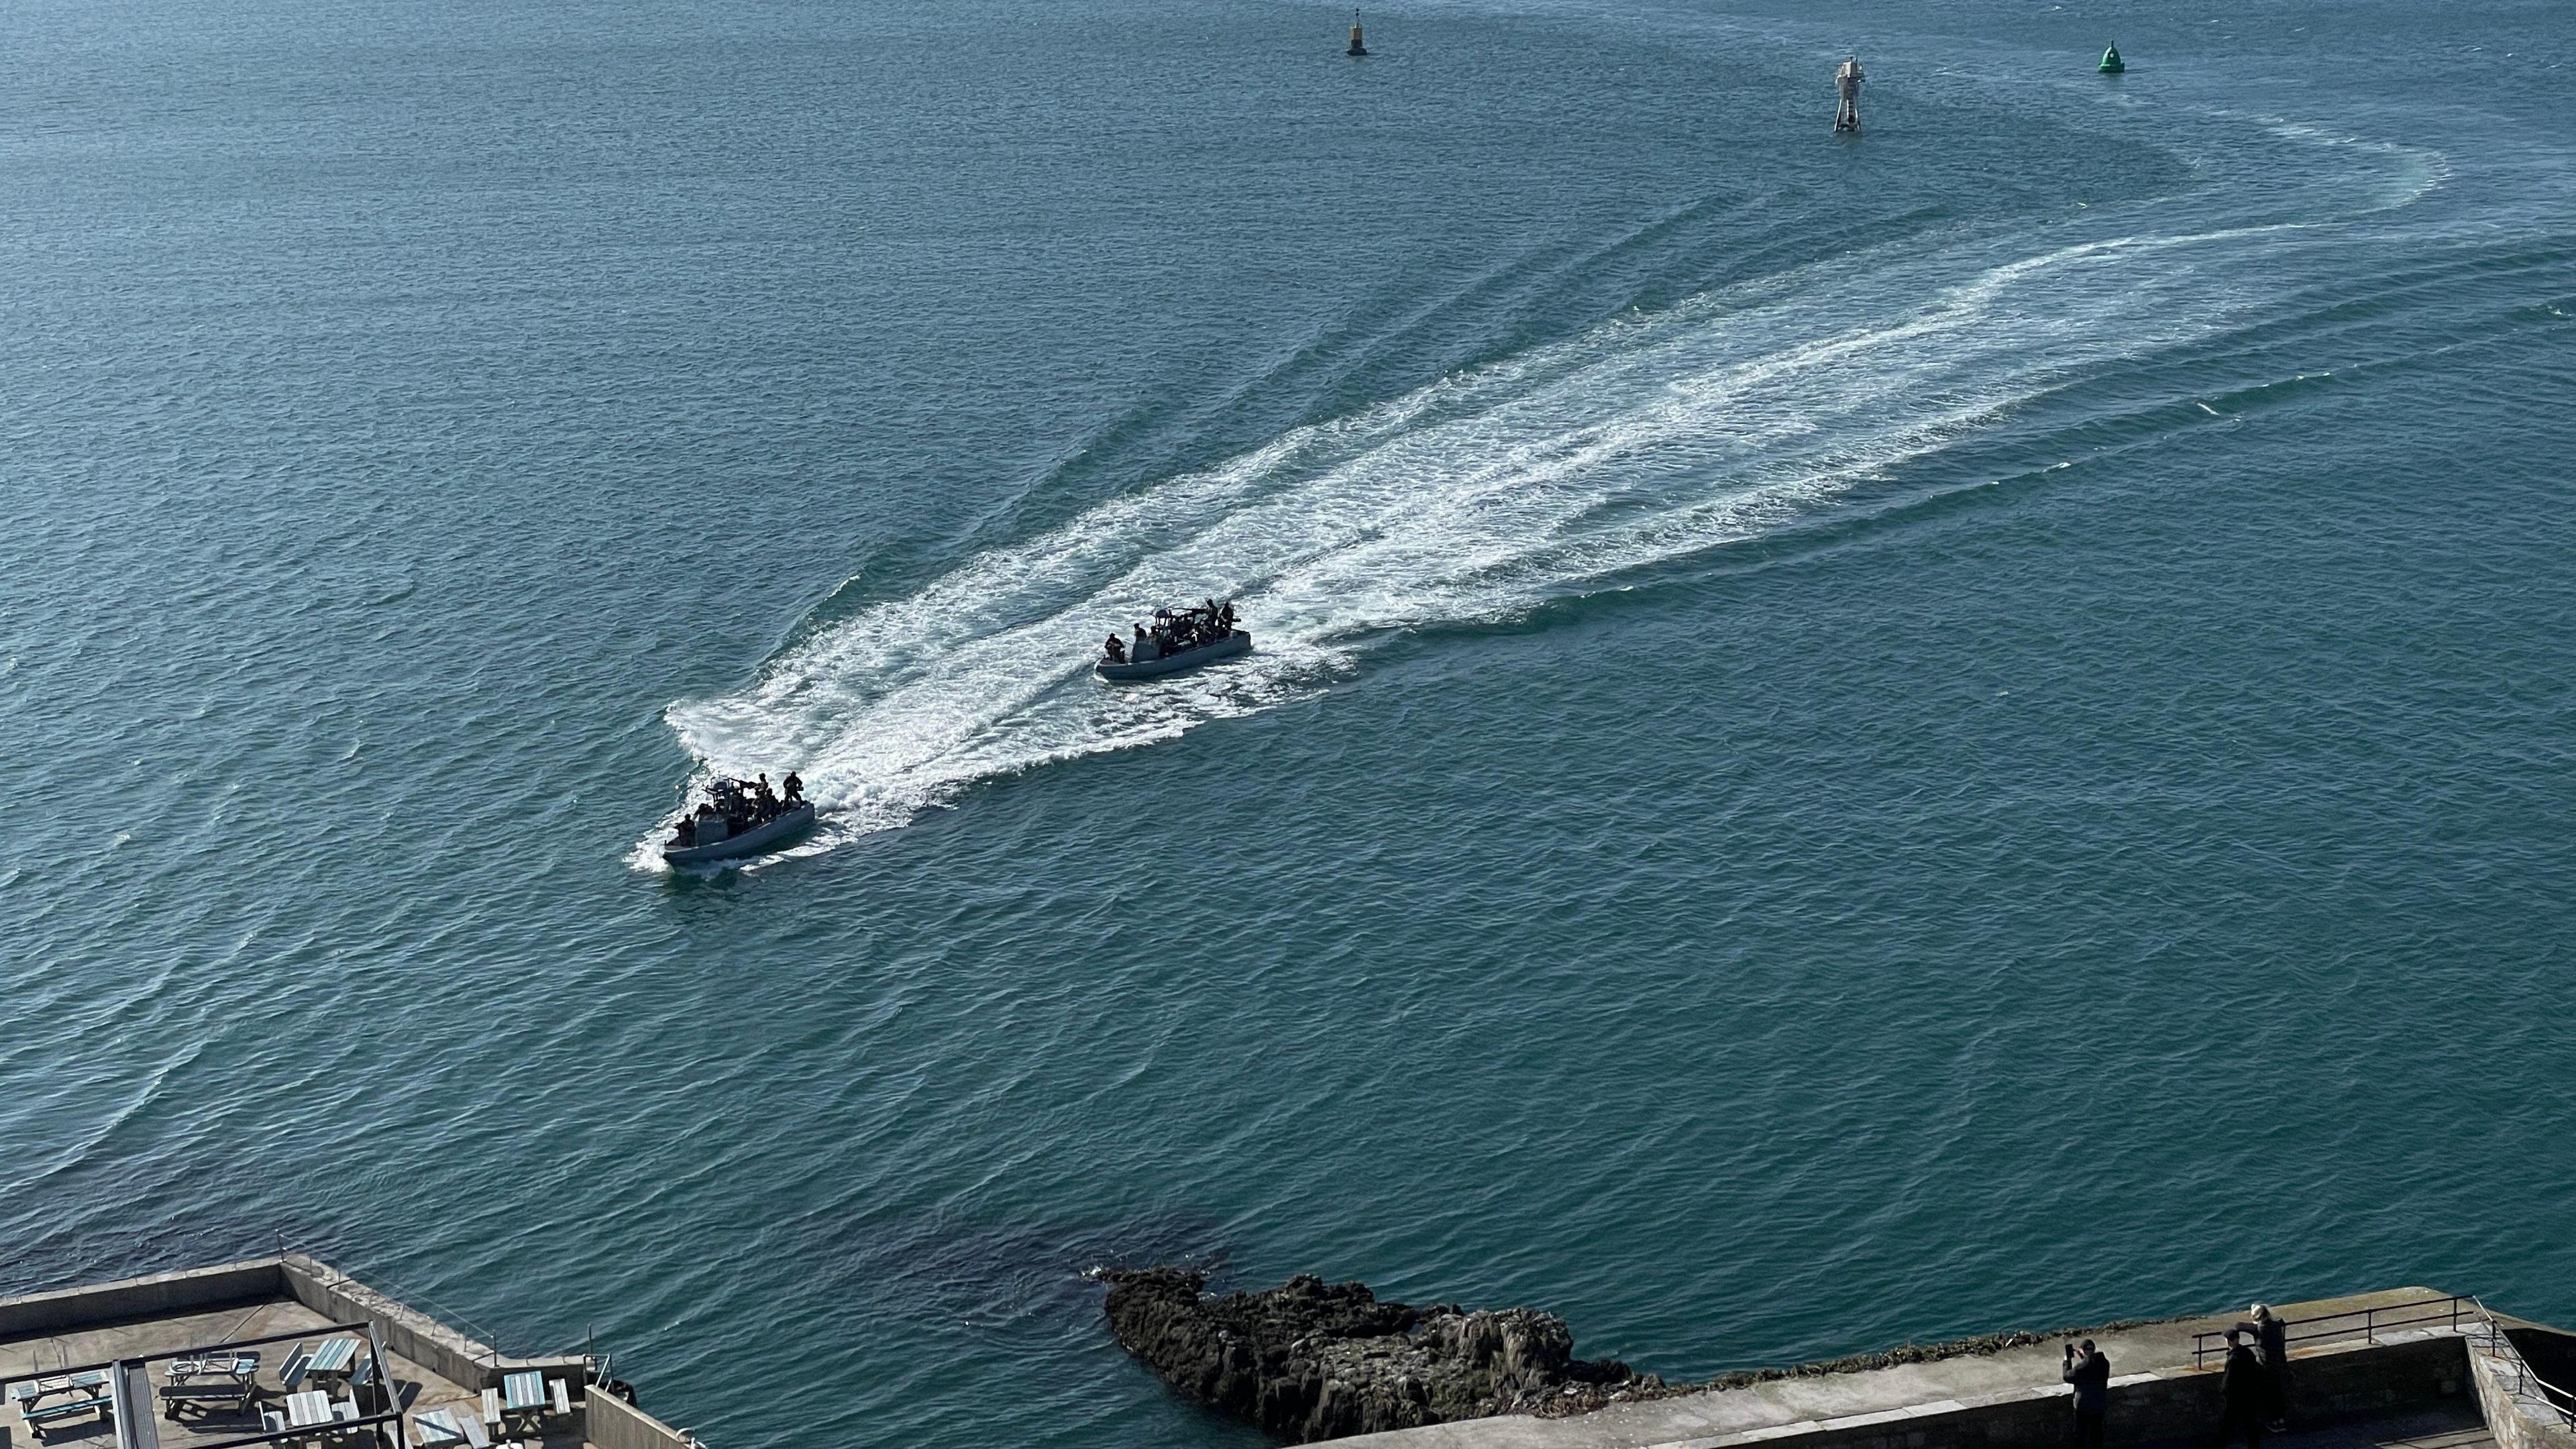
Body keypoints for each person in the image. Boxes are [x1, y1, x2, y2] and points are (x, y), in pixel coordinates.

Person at [2218, 1330, 2268, 1449]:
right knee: (2250, 1424)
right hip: (2250, 1394)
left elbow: (2228, 1382)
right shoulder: (2247, 1352)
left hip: (2236, 1397)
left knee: (2227, 1425)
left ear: (2229, 1341)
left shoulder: (2233, 1359)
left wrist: (2223, 1393)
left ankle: (2219, 1445)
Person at [2244, 1305, 2288, 1431]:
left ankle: (2273, 1422)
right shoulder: (2275, 1325)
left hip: (2265, 1367)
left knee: (2268, 1396)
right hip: (2279, 1364)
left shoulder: (2258, 1329)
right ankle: (2281, 1420)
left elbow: (2238, 1326)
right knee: (2279, 1394)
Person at [2063, 1339, 2110, 1449]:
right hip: (2099, 1404)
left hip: (2083, 1406)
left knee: (2080, 1435)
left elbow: (2067, 1376)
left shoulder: (2081, 1368)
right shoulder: (2104, 1363)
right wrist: (2085, 1358)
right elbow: (2091, 1365)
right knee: (2097, 1435)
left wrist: (2067, 1361)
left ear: (2082, 1351)